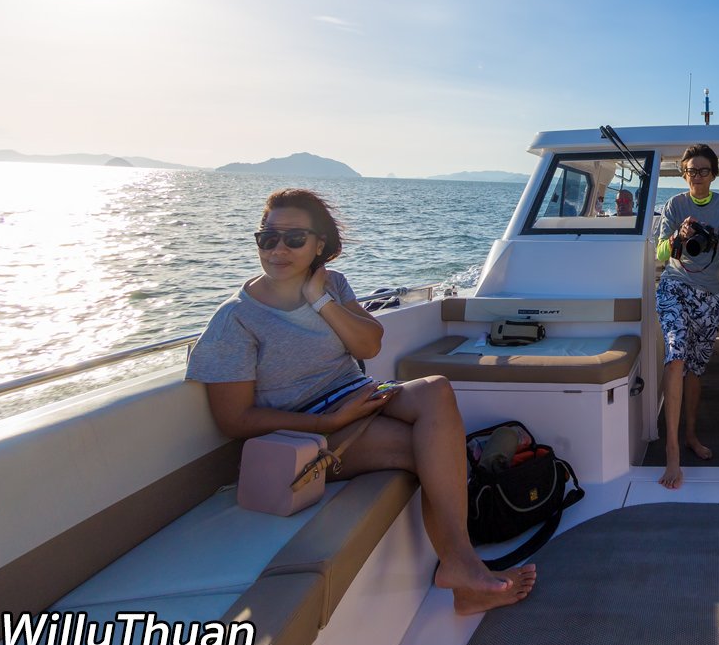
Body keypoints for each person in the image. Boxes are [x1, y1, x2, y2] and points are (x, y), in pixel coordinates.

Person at [186, 188, 535, 614]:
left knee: (437, 387)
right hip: (306, 430)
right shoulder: (235, 320)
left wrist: (319, 300)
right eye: (268, 238)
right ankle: (462, 568)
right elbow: (234, 420)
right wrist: (329, 424)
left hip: (355, 396)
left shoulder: (331, 285)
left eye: (294, 239)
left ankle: (461, 566)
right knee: (426, 450)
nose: (278, 249)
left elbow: (369, 345)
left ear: (319, 245)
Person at [655, 144, 719, 489]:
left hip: (710, 296)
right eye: (691, 170)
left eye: (704, 170)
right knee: (676, 356)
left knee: (695, 369)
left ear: (713, 174)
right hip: (674, 287)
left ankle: (691, 435)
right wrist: (677, 235)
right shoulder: (673, 205)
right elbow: (660, 251)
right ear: (683, 173)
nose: (697, 176)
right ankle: (672, 451)